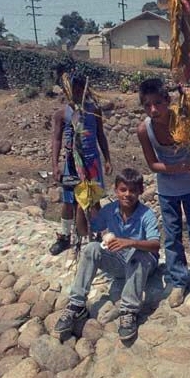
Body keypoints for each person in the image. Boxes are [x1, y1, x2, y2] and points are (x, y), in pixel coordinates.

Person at [54, 168, 160, 342]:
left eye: (133, 190)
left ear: (141, 191)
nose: (127, 195)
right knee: (92, 248)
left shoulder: (146, 214)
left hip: (142, 263)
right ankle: (77, 304)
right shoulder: (109, 210)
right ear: (116, 190)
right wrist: (81, 209)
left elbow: (155, 245)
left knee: (138, 254)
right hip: (120, 263)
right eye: (123, 190)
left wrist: (130, 242)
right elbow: (84, 231)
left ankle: (128, 310)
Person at [136, 78, 190, 308]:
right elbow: (152, 165)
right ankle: (179, 282)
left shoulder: (184, 119)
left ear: (167, 101)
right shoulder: (144, 130)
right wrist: (176, 168)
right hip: (167, 191)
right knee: (172, 237)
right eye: (147, 105)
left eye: (158, 103)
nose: (153, 110)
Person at [49, 73, 112, 255]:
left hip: (92, 164)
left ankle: (99, 235)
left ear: (86, 89)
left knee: (94, 200)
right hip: (71, 164)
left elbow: (100, 135)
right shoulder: (62, 114)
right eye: (74, 88)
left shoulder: (94, 110)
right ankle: (64, 237)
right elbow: (56, 140)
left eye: (81, 88)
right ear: (68, 90)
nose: (78, 92)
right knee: (69, 201)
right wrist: (55, 166)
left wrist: (107, 159)